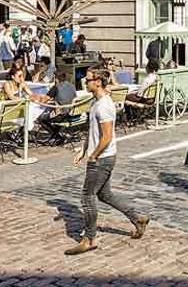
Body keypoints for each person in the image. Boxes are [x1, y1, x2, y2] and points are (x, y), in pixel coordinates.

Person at [64, 67, 149, 253]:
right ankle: (138, 218)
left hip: (102, 158)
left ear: (98, 82)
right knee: (105, 195)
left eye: (88, 80)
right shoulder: (97, 102)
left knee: (87, 197)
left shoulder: (103, 105)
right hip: (102, 156)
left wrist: (93, 156)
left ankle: (90, 238)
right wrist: (84, 150)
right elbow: (93, 131)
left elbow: (107, 136)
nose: (85, 82)